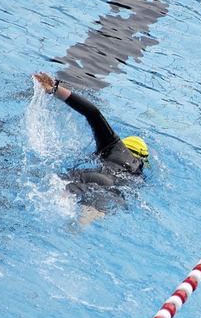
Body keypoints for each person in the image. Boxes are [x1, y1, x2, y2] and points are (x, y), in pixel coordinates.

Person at [32, 72, 150, 224]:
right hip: (112, 192)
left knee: (55, 192)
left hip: (94, 176)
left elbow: (93, 113)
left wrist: (55, 89)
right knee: (91, 212)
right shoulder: (138, 174)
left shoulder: (115, 145)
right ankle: (80, 224)